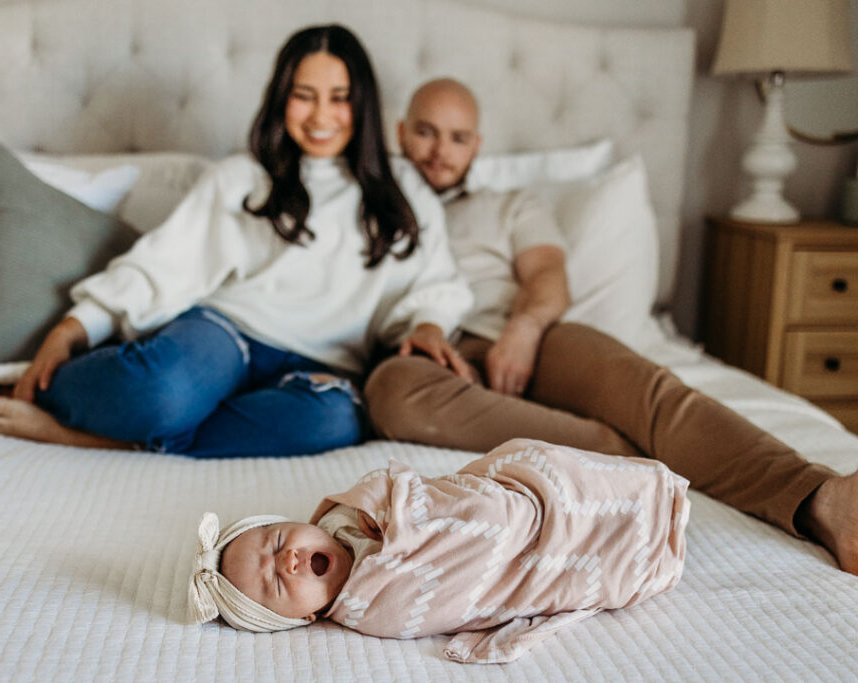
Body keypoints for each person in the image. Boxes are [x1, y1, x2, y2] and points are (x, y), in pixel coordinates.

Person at [363, 77, 858, 575]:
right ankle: (632, 452)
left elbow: (548, 278)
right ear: (402, 133)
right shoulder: (365, 209)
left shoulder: (511, 204)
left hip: (528, 337)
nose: (439, 151)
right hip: (433, 358)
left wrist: (525, 329)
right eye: (426, 133)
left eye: (458, 137)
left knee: (649, 391)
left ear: (477, 145)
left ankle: (822, 498)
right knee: (388, 389)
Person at [0, 26, 473, 458]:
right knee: (163, 390)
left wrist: (427, 325)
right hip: (227, 334)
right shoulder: (243, 179)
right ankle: (21, 391)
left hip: (322, 365)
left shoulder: (405, 195)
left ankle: (93, 437)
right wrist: (71, 328)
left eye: (339, 97)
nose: (322, 115)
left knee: (334, 424)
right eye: (305, 95)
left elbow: (435, 286)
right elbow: (163, 265)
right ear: (281, 99)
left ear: (364, 104)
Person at [187, 437, 690, 664]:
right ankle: (631, 532)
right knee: (501, 522)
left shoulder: (341, 517)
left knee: (522, 467)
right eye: (278, 582)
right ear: (303, 618)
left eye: (277, 542)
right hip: (505, 550)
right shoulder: (370, 608)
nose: (288, 560)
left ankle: (639, 498)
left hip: (499, 495)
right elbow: (454, 593)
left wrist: (396, 510)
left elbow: (403, 484)